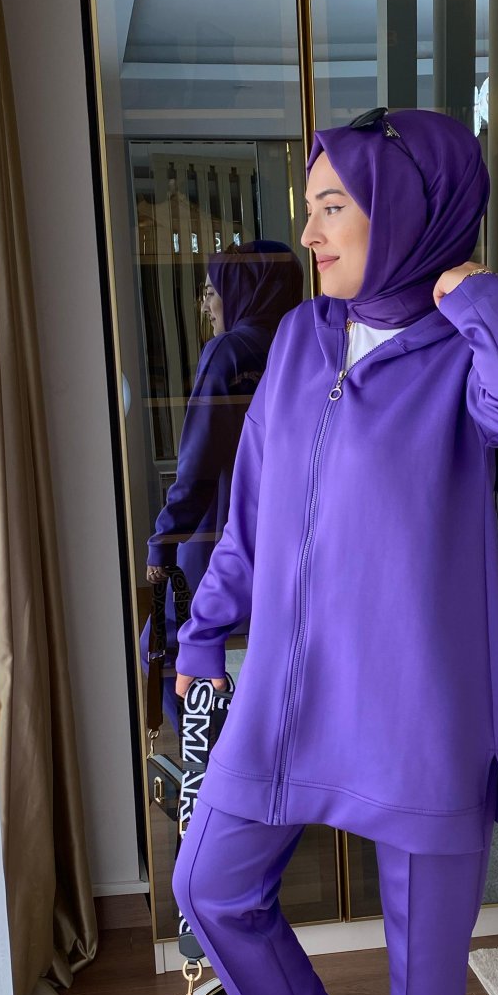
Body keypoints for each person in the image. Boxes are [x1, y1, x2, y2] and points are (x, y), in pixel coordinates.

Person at [171, 109, 498, 995]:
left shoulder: (462, 358)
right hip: (287, 690)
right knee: (209, 882)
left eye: (332, 207)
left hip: (416, 700)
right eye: (309, 209)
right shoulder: (300, 340)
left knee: (425, 940)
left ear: (403, 213)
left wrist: (475, 292)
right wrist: (204, 632)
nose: (308, 234)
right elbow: (251, 514)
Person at [141, 239, 303, 727]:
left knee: (168, 647)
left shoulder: (229, 351)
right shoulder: (304, 348)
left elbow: (197, 462)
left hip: (222, 531)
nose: (205, 305)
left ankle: (209, 759)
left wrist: (164, 541)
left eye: (212, 291)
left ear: (241, 293)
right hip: (291, 530)